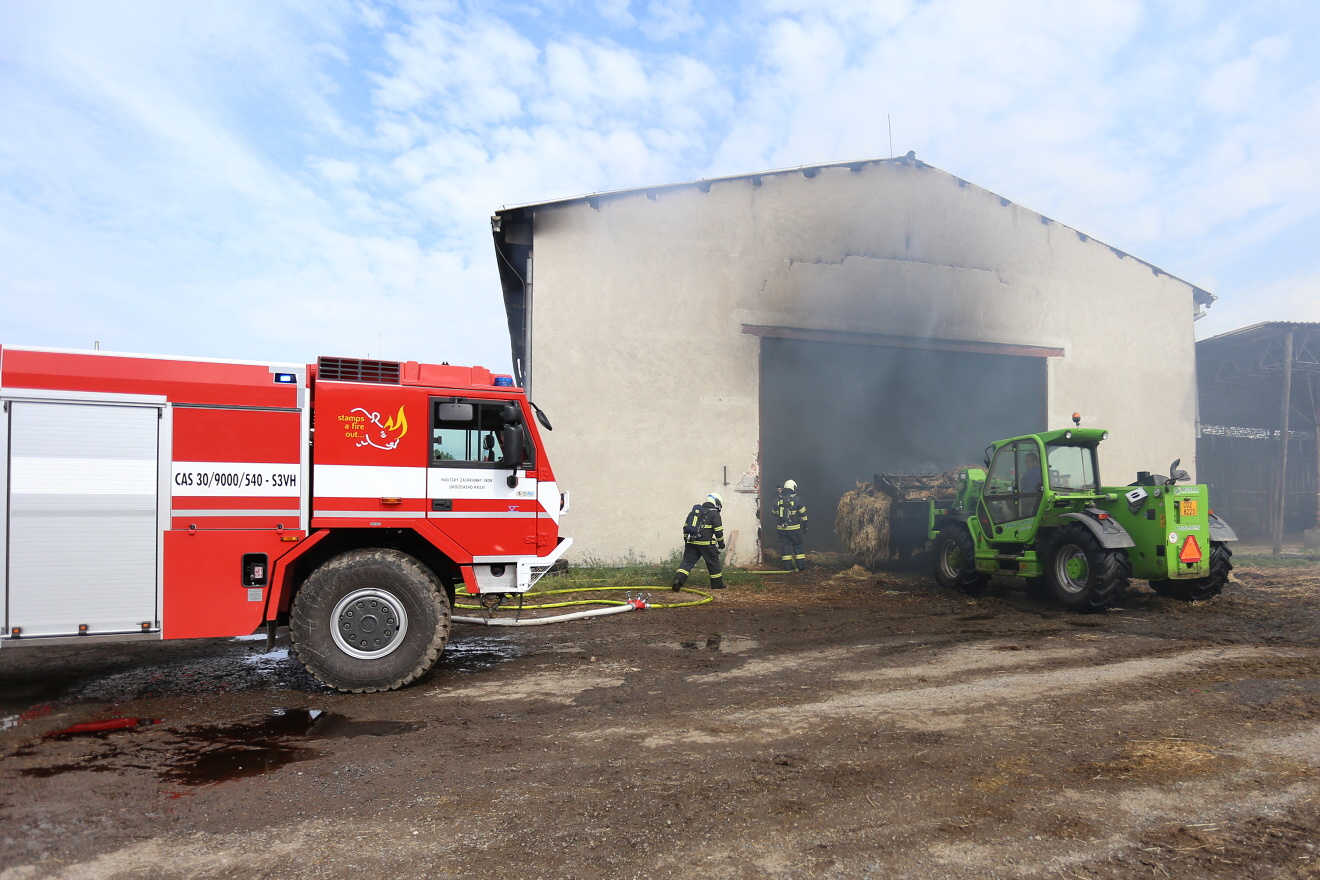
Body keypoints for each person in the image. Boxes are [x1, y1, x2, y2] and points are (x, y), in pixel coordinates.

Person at [672, 493, 725, 591]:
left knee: (687, 562)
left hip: (692, 542)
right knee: (713, 564)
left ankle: (677, 580)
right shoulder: (714, 513)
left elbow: (685, 528)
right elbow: (718, 531)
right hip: (706, 544)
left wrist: (687, 542)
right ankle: (717, 585)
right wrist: (721, 543)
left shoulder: (695, 512)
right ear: (717, 502)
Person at [772, 479, 809, 570]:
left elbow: (773, 512)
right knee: (797, 546)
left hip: (781, 529)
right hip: (794, 528)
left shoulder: (777, 499)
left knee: (785, 547)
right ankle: (801, 567)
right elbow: (803, 514)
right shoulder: (797, 499)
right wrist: (805, 526)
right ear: (793, 488)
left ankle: (787, 567)